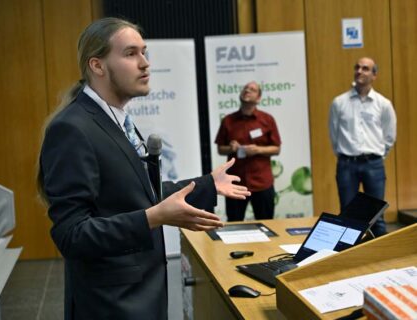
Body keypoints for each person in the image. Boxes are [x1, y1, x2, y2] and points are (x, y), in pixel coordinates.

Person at [37, 17, 250, 320]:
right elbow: (72, 235)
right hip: (110, 304)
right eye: (130, 53)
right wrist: (153, 218)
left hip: (138, 296)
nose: (145, 63)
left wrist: (206, 185)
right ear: (97, 66)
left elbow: (135, 193)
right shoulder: (73, 128)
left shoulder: (116, 119)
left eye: (144, 52)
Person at [329, 57, 397, 237]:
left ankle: (381, 258)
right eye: (357, 67)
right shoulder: (339, 102)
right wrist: (345, 155)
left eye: (365, 68)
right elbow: (333, 134)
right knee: (347, 214)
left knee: (376, 215)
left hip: (373, 164)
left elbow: (389, 136)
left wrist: (377, 156)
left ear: (374, 75)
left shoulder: (383, 104)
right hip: (346, 164)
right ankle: (345, 256)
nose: (360, 71)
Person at [215, 81, 281, 221]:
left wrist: (258, 150)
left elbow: (276, 148)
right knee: (234, 224)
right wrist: (230, 148)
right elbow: (221, 149)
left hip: (262, 182)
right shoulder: (228, 120)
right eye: (245, 88)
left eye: (252, 89)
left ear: (258, 98)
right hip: (236, 183)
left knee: (266, 225)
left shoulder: (267, 120)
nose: (247, 90)